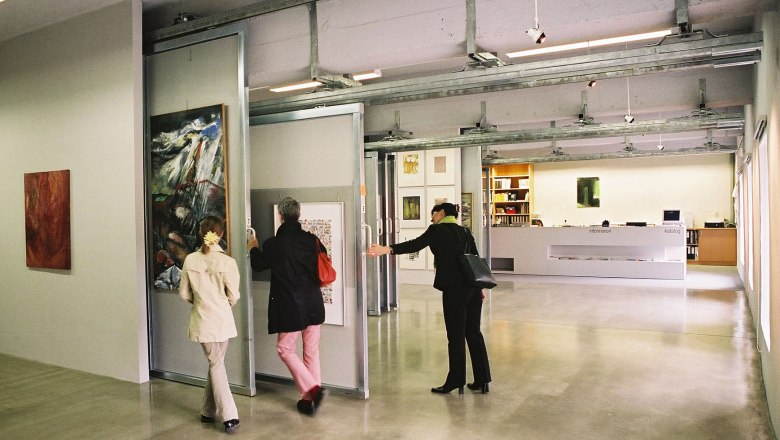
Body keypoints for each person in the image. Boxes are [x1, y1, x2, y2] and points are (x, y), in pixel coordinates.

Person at [367, 202, 491, 395]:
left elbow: (414, 245)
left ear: (441, 213)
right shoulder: (465, 232)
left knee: (456, 335)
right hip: (473, 288)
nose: (432, 217)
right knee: (474, 333)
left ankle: (456, 380)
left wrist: (387, 249)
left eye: (433, 213)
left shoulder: (437, 231)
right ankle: (483, 380)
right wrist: (480, 287)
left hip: (454, 290)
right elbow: (475, 258)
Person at [247, 197, 327, 415]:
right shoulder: (312, 240)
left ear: (280, 216)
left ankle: (312, 390)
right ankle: (310, 399)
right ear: (298, 215)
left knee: (285, 349)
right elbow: (323, 259)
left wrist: (253, 247)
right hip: (313, 304)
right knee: (311, 351)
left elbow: (260, 264)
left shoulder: (274, 244)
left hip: (291, 306)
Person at [178, 216, 241, 434]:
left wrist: (200, 303)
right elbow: (234, 295)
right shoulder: (228, 263)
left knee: (216, 363)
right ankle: (230, 416)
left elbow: (184, 293)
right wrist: (221, 305)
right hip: (222, 321)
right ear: (221, 234)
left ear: (200, 233)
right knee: (216, 364)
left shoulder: (190, 260)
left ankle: (207, 411)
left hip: (202, 321)